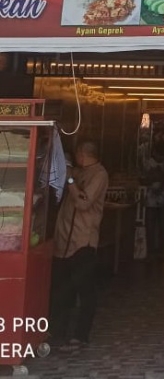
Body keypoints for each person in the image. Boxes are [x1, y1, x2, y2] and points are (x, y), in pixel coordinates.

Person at [49, 140, 108, 351]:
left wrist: (70, 178)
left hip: (83, 241)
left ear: (82, 154)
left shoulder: (99, 174)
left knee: (84, 289)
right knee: (62, 289)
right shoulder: (78, 170)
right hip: (64, 241)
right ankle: (58, 331)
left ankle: (80, 335)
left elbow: (83, 202)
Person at [143, 143, 164, 260]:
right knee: (155, 226)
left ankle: (157, 251)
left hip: (160, 199)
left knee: (160, 226)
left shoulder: (162, 164)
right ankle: (153, 251)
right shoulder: (150, 163)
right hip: (157, 199)